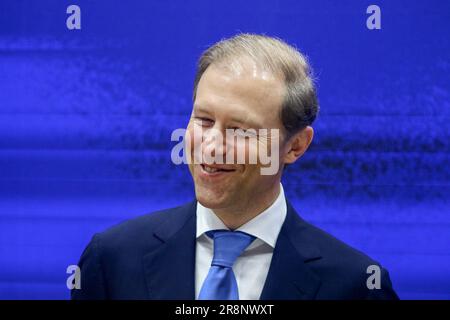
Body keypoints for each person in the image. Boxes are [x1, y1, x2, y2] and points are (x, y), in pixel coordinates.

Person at [72, 33, 398, 300]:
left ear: (296, 146)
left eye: (240, 130)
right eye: (203, 120)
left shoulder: (357, 286)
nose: (211, 146)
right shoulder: (112, 260)